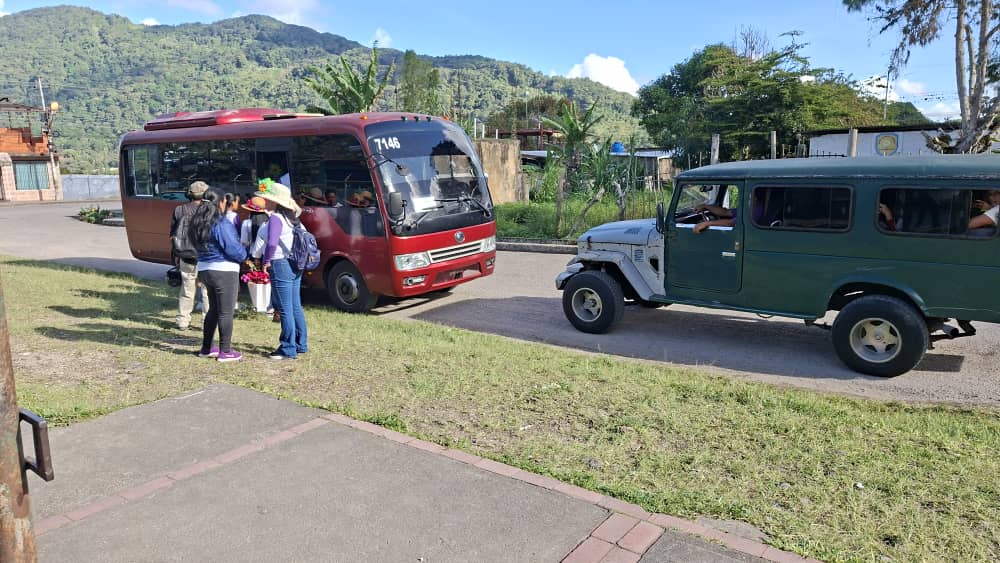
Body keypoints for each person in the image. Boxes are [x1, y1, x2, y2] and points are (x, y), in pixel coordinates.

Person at [188, 189, 248, 362]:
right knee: (226, 312)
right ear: (221, 202)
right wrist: (245, 254)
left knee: (214, 310)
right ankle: (226, 351)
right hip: (224, 270)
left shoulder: (197, 222)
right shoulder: (221, 223)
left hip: (206, 269)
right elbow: (233, 249)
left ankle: (206, 348)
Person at [251, 180, 308, 360]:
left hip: (281, 263)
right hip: (295, 263)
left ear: (275, 201)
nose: (265, 201)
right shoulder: (293, 218)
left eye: (267, 198)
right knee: (295, 306)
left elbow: (272, 243)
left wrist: (266, 261)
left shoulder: (276, 218)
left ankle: (287, 348)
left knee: (284, 308)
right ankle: (301, 344)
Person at [170, 181, 211, 330]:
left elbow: (173, 234)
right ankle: (207, 321)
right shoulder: (209, 210)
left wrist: (175, 254)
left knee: (187, 289)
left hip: (186, 255)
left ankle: (183, 320)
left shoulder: (179, 210)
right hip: (206, 256)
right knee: (207, 291)